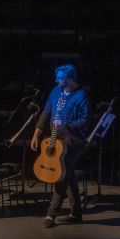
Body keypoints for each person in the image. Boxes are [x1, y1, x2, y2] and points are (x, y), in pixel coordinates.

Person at [31, 64, 90, 228]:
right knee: (68, 175)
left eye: (61, 79)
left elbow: (85, 121)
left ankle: (51, 214)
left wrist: (66, 125)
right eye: (57, 79)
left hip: (73, 141)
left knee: (60, 175)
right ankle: (76, 213)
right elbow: (46, 112)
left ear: (71, 79)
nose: (58, 82)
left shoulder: (81, 96)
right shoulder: (55, 91)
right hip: (56, 139)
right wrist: (36, 134)